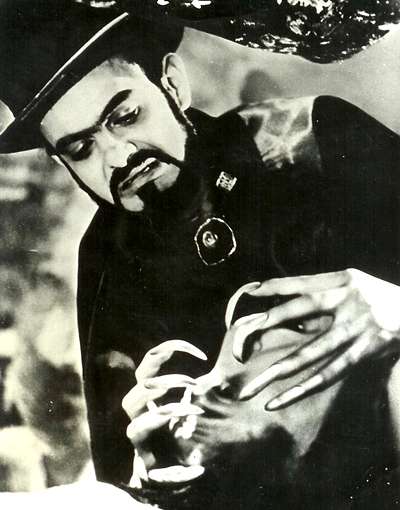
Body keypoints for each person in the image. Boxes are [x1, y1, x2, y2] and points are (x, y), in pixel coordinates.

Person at [0, 1, 399, 507]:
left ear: (172, 84)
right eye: (81, 149)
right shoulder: (106, 259)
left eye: (126, 117)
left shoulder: (310, 137)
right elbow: (129, 471)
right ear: (63, 164)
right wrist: (151, 470)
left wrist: (394, 306)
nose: (118, 156)